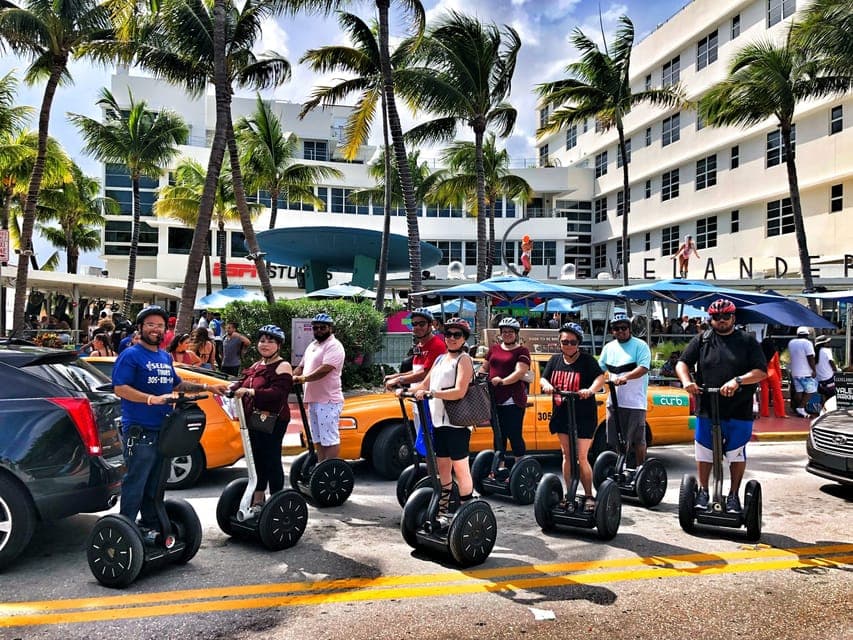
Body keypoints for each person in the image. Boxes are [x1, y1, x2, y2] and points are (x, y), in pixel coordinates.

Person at [112, 306, 228, 533]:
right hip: (140, 430)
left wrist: (209, 387)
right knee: (136, 482)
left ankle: (151, 526)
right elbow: (120, 388)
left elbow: (177, 384)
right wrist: (150, 399)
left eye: (160, 326)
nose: (156, 329)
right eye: (150, 325)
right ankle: (125, 529)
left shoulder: (164, 357)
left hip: (164, 430)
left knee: (155, 485)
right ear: (141, 328)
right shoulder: (131, 355)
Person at [676, 299, 767, 513]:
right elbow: (682, 362)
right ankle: (703, 491)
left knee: (736, 453)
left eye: (726, 316)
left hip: (738, 408)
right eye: (716, 317)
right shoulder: (703, 340)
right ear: (711, 319)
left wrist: (738, 381)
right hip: (708, 405)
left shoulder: (747, 341)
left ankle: (734, 495)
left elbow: (761, 372)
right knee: (704, 452)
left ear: (733, 318)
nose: (721, 321)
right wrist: (686, 381)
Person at [407, 318, 477, 519]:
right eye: (449, 334)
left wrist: (434, 394)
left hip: (457, 424)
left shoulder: (464, 360)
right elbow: (424, 385)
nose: (452, 338)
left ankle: (467, 511)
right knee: (443, 468)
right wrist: (403, 389)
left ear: (464, 339)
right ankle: (443, 510)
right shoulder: (440, 360)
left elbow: (459, 391)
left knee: (461, 468)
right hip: (438, 422)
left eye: (458, 335)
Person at [540, 323, 606, 513]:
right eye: (564, 342)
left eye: (572, 342)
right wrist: (546, 385)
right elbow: (544, 377)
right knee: (566, 455)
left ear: (578, 343)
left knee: (582, 456)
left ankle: (588, 494)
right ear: (559, 343)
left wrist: (590, 390)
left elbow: (600, 378)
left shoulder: (587, 361)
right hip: (562, 414)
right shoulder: (555, 360)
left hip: (583, 415)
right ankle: (569, 494)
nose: (568, 345)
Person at [229, 325, 293, 514]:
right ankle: (258, 500)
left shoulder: (283, 366)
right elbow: (243, 382)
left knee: (271, 459)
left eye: (270, 341)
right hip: (254, 419)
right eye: (262, 340)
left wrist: (250, 391)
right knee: (257, 459)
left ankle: (276, 499)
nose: (265, 344)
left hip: (273, 419)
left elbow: (278, 393)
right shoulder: (258, 365)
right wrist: (231, 387)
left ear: (278, 345)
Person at [478, 317, 531, 475]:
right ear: (500, 333)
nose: (507, 334)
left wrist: (503, 381)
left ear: (516, 334)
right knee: (498, 436)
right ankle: (499, 467)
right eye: (504, 332)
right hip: (494, 399)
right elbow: (485, 367)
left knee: (514, 434)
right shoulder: (494, 349)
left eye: (510, 332)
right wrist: (479, 376)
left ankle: (519, 468)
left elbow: (520, 372)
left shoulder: (522, 351)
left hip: (513, 400)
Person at [598, 312, 652, 465]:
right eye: (616, 328)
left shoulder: (641, 346)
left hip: (635, 403)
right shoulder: (609, 348)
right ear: (612, 331)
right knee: (615, 440)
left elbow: (643, 368)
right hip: (614, 403)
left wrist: (625, 377)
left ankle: (640, 468)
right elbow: (600, 369)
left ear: (629, 328)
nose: (620, 331)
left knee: (637, 440)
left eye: (623, 328)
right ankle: (619, 467)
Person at [293, 313, 346, 462]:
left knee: (329, 438)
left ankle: (330, 467)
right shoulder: (313, 345)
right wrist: (290, 377)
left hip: (328, 400)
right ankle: (321, 465)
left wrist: (303, 379)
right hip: (313, 399)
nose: (319, 331)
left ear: (330, 328)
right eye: (315, 328)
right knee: (317, 437)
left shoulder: (334, 345)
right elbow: (302, 366)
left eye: (323, 328)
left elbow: (326, 368)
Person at [383, 308, 447, 391]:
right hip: (417, 395)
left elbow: (425, 374)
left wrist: (399, 379)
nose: (417, 327)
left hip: (430, 397)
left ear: (430, 325)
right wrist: (397, 376)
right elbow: (417, 371)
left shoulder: (437, 345)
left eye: (422, 324)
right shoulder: (419, 346)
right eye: (414, 324)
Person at [788, 326, 817, 418]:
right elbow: (810, 357)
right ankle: (801, 407)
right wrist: (814, 369)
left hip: (795, 371)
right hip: (805, 372)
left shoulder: (791, 342)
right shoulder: (807, 343)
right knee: (812, 389)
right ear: (807, 334)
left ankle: (800, 409)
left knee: (799, 391)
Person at [759, 338, 786, 419]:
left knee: (764, 394)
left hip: (762, 374)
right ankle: (780, 413)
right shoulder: (775, 353)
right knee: (778, 394)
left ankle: (764, 413)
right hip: (773, 373)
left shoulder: (760, 353)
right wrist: (780, 377)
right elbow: (777, 366)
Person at [814, 335, 838, 405]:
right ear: (824, 343)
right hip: (829, 379)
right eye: (828, 342)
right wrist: (836, 371)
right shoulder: (826, 350)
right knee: (832, 397)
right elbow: (831, 362)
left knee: (824, 396)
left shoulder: (815, 352)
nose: (829, 344)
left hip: (819, 380)